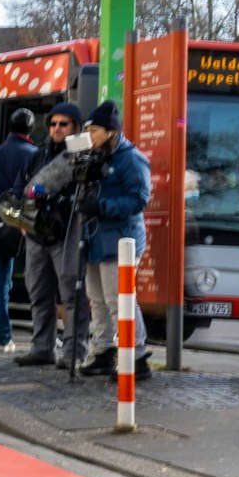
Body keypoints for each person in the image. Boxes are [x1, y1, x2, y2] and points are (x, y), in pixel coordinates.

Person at [78, 99, 153, 381]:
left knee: (119, 299)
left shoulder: (131, 158)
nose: (90, 136)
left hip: (121, 239)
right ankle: (103, 349)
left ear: (110, 131)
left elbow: (139, 199)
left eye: (94, 130)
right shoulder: (97, 157)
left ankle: (136, 354)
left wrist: (102, 206)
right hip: (96, 237)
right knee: (96, 298)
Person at [16, 103, 91, 369]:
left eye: (64, 124)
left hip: (66, 233)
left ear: (76, 127)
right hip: (36, 234)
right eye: (53, 123)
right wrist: (20, 218)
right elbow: (19, 187)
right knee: (38, 294)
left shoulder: (82, 154)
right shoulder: (37, 155)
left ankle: (74, 350)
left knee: (71, 294)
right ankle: (42, 348)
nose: (57, 128)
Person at [0, 109, 39, 352]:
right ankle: (43, 337)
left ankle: (2, 337)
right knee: (40, 280)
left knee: (0, 282)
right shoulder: (34, 154)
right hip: (27, 225)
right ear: (31, 130)